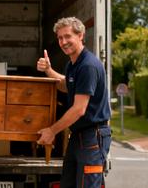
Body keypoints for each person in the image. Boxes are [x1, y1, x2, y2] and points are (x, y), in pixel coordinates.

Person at [36, 17, 111, 188]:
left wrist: (52, 131)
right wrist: (48, 70)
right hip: (78, 136)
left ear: (81, 35)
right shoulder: (73, 64)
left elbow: (79, 109)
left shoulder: (87, 66)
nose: (63, 42)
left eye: (68, 36)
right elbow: (66, 85)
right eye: (60, 38)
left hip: (92, 137)